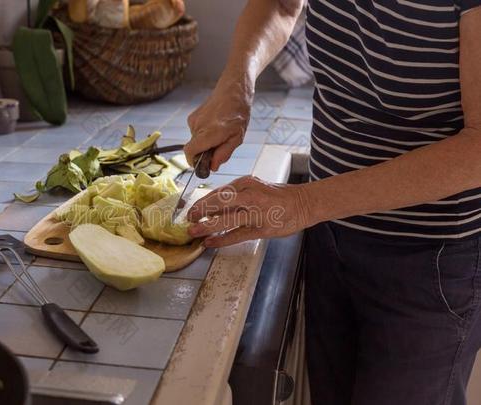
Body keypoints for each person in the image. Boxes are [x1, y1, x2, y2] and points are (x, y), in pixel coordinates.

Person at [183, 0, 481, 403]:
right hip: (331, 235)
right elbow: (282, 5)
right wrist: (238, 81)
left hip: (431, 264)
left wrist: (304, 204)